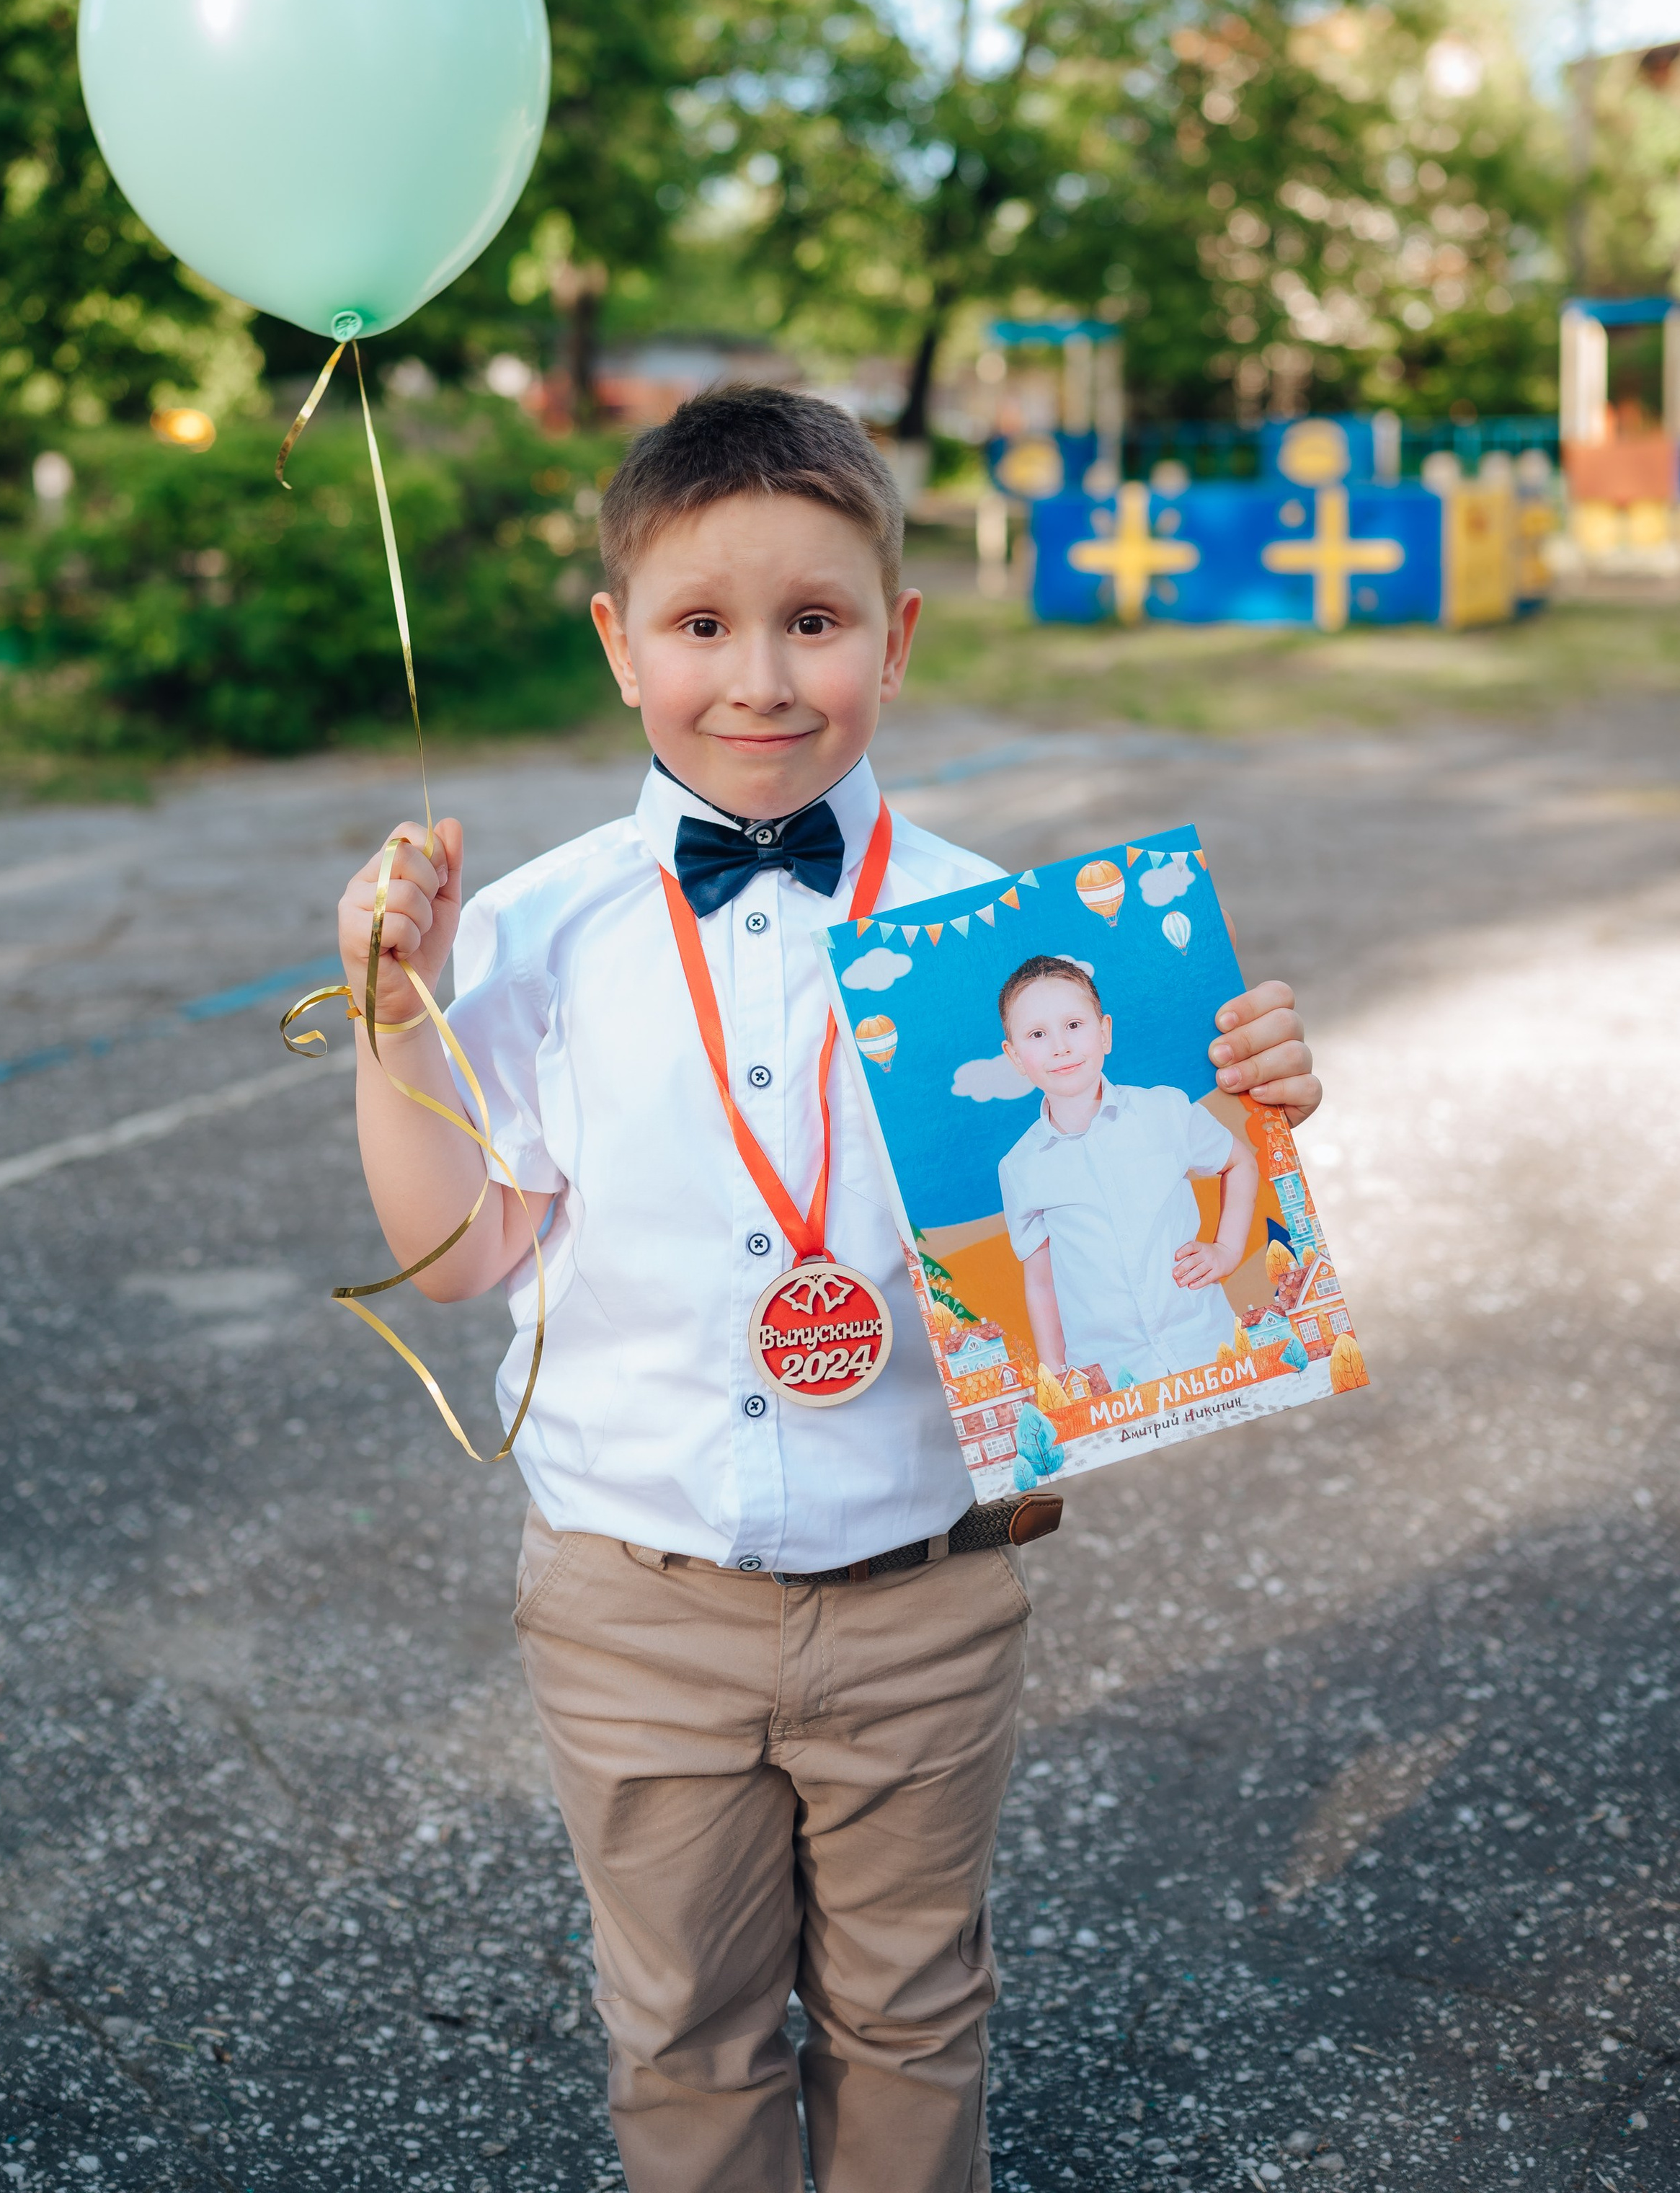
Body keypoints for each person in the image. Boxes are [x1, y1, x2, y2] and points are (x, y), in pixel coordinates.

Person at [335, 389, 1319, 2193]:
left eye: (814, 621)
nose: (762, 678)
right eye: (701, 624)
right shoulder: (536, 934)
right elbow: (464, 1248)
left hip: (918, 1593)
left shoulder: (1011, 948)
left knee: (912, 2008)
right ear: (617, 644)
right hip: (634, 1597)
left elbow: (1185, 1216)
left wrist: (1245, 1104)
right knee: (685, 2034)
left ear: (896, 633)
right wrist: (399, 1014)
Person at [996, 955, 1258, 1396]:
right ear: (1015, 1057)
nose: (1059, 1046)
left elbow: (1240, 1161)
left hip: (1207, 1346)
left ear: (1105, 1033)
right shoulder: (1020, 1167)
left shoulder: (1166, 1111)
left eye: (1074, 1025)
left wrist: (1227, 1251)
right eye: (1038, 1035)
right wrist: (1057, 1376)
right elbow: (1041, 1282)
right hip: (1112, 1379)